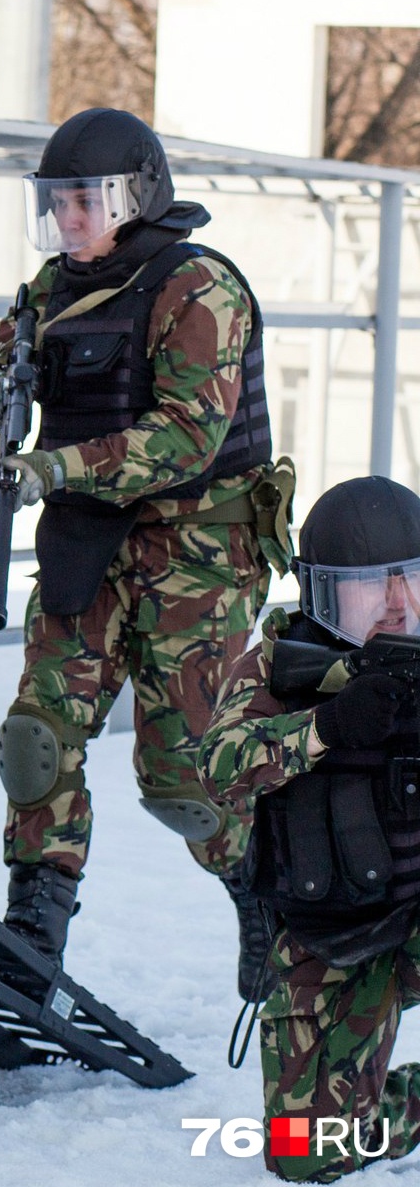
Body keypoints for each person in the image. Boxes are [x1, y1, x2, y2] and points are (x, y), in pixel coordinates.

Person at [0, 107, 292, 972]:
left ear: (137, 197)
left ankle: (274, 903)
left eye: (85, 202)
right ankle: (33, 933)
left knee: (186, 782)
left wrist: (54, 469)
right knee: (36, 737)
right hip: (86, 545)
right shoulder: (50, 291)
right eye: (54, 202)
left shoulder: (199, 287)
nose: (67, 222)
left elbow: (185, 439)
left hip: (199, 557)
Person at [201, 476, 420, 1181]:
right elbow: (218, 768)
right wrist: (325, 727)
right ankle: (393, 1110)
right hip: (338, 932)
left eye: (413, 578)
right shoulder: (278, 662)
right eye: (372, 584)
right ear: (322, 593)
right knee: (304, 1154)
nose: (399, 602)